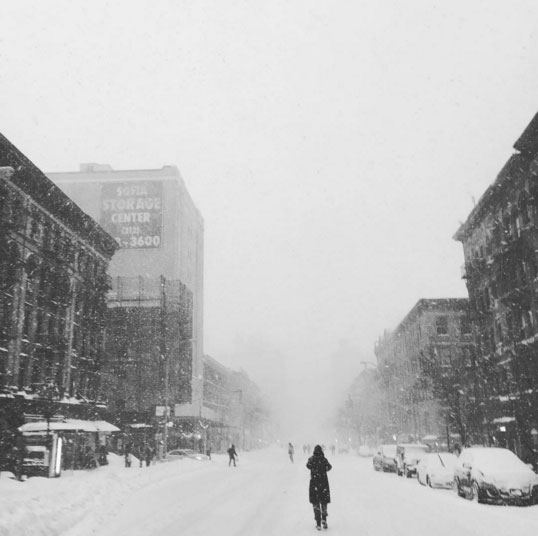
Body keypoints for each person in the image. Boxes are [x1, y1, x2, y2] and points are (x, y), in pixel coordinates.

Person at [306, 444, 332, 531]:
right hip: (323, 483)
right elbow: (329, 467)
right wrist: (323, 470)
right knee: (324, 502)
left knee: (316, 503)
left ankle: (318, 523)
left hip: (314, 484)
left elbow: (307, 465)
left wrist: (314, 469)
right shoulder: (324, 459)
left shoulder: (312, 459)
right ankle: (324, 519)